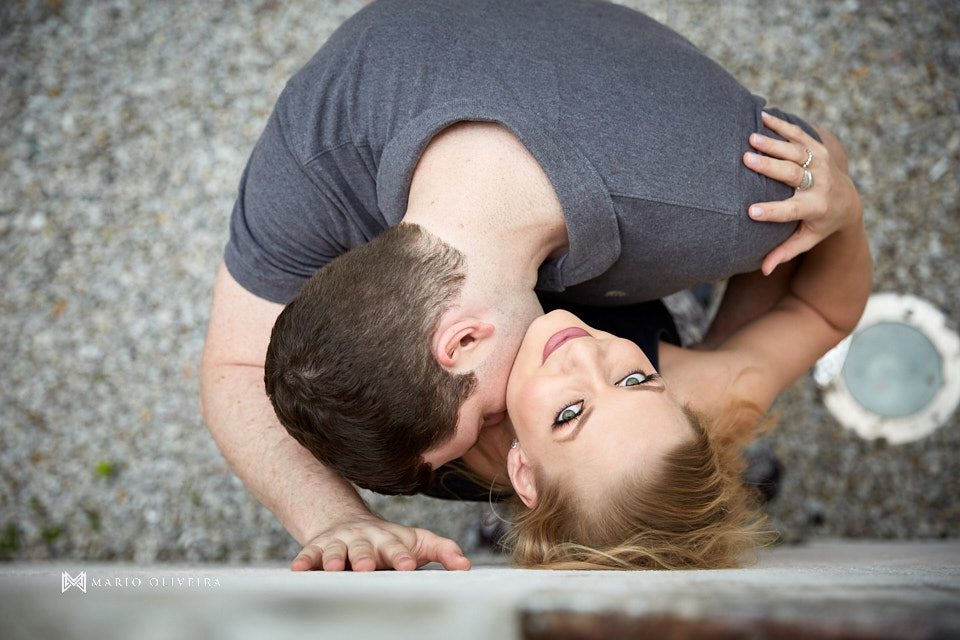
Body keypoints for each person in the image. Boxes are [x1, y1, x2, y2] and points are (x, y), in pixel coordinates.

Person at [200, 0, 860, 571]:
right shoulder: (687, 391)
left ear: (523, 475)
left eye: (570, 413)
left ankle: (590, 515)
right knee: (705, 429)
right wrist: (329, 516)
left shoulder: (698, 253)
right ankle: (692, 479)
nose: (586, 358)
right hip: (660, 354)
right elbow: (820, 312)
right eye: (634, 384)